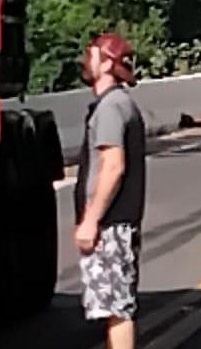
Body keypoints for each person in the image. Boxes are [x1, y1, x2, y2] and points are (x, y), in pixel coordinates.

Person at [74, 32, 147, 349]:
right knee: (111, 306)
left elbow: (113, 166)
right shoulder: (115, 104)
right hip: (116, 224)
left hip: (111, 225)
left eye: (90, 55)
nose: (83, 61)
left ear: (106, 63)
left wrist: (91, 220)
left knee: (116, 308)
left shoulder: (112, 108)